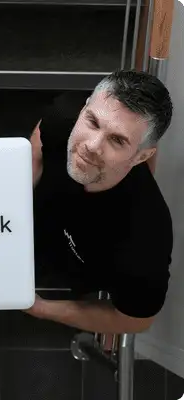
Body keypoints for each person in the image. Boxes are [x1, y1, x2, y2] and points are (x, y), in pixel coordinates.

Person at [25, 69, 174, 334]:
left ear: (141, 156)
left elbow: (136, 320)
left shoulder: (143, 245)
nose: (92, 146)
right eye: (93, 121)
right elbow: (39, 141)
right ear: (84, 109)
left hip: (71, 265)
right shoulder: (64, 115)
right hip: (41, 212)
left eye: (117, 140)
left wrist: (39, 308)